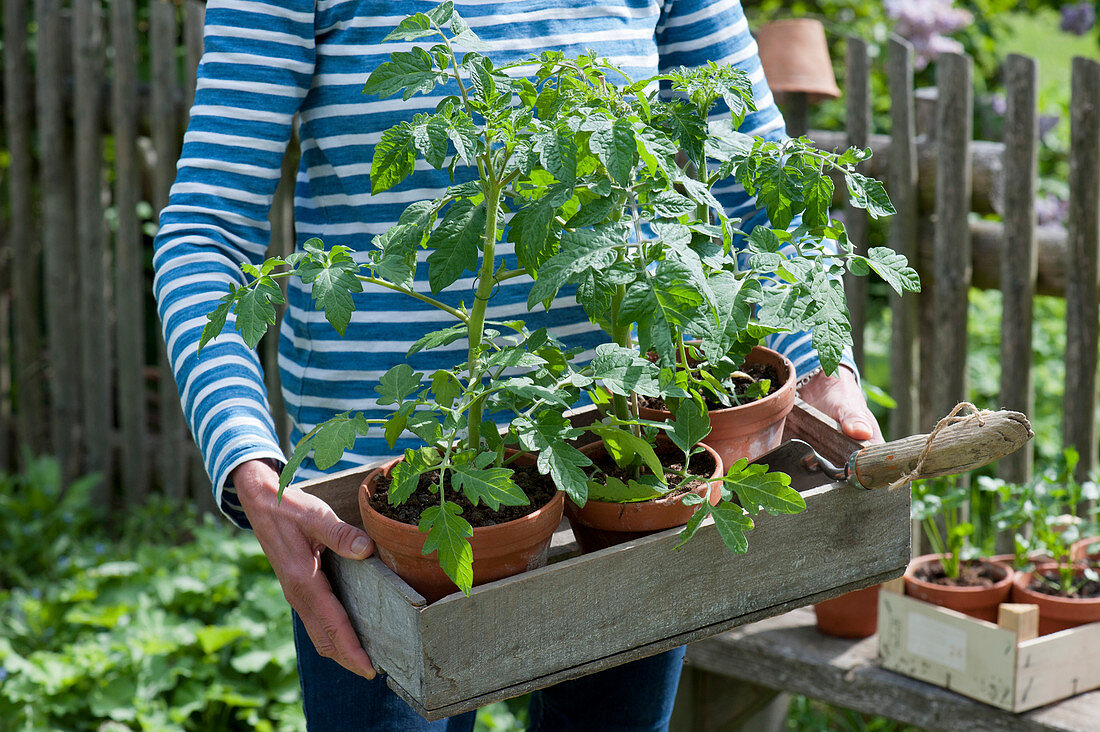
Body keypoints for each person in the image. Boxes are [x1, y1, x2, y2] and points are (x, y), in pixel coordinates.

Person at [153, 1, 883, 729]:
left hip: (622, 477)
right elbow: (203, 231)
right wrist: (246, 457)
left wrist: (826, 364)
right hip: (384, 522)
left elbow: (767, 198)